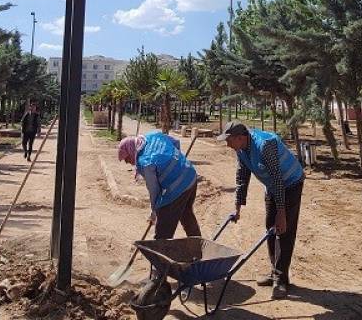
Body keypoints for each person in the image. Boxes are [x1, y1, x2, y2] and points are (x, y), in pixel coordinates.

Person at [218, 121, 305, 300]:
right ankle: (275, 272)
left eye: (229, 140)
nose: (227, 145)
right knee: (270, 228)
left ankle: (281, 279)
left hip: (290, 183)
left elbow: (278, 180)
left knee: (283, 229)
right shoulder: (241, 150)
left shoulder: (265, 146)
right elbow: (242, 177)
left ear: (240, 138)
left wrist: (281, 212)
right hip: (273, 186)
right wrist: (237, 207)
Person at [118, 131, 201, 242]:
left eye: (127, 158)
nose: (128, 162)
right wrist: (176, 163)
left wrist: (154, 211)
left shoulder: (145, 161)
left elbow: (154, 190)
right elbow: (175, 142)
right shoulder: (152, 136)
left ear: (131, 150)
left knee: (164, 226)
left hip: (178, 186)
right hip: (190, 174)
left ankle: (159, 254)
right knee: (186, 213)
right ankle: (199, 246)